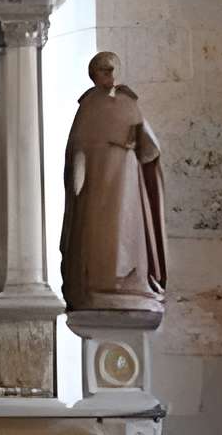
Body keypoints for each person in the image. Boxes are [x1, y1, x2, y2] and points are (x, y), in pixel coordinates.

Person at [61, 51, 168, 317]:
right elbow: (77, 146)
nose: (109, 76)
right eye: (103, 70)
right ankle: (98, 282)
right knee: (98, 229)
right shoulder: (87, 106)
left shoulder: (129, 102)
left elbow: (150, 149)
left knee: (128, 225)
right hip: (97, 179)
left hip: (127, 176)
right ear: (93, 74)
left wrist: (136, 141)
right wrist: (78, 173)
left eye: (112, 70)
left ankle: (133, 282)